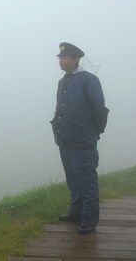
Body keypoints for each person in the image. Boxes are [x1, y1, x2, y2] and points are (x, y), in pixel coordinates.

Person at [51, 42, 109, 234]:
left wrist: (96, 131)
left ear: (75, 59)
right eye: (60, 58)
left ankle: (89, 219)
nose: (61, 61)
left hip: (83, 140)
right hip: (65, 139)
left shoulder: (88, 79)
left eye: (64, 57)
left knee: (86, 180)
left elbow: (99, 107)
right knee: (73, 179)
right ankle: (75, 212)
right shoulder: (63, 81)